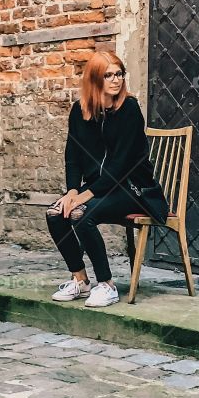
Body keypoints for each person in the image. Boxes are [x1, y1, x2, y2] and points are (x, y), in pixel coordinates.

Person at [46, 52, 167, 307]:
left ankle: (107, 285)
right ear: (94, 79)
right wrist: (71, 191)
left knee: (80, 214)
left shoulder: (129, 110)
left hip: (134, 189)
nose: (116, 80)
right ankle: (80, 280)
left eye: (119, 74)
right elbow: (73, 155)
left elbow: (120, 165)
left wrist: (84, 196)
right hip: (99, 189)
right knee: (55, 213)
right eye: (108, 75)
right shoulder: (80, 112)